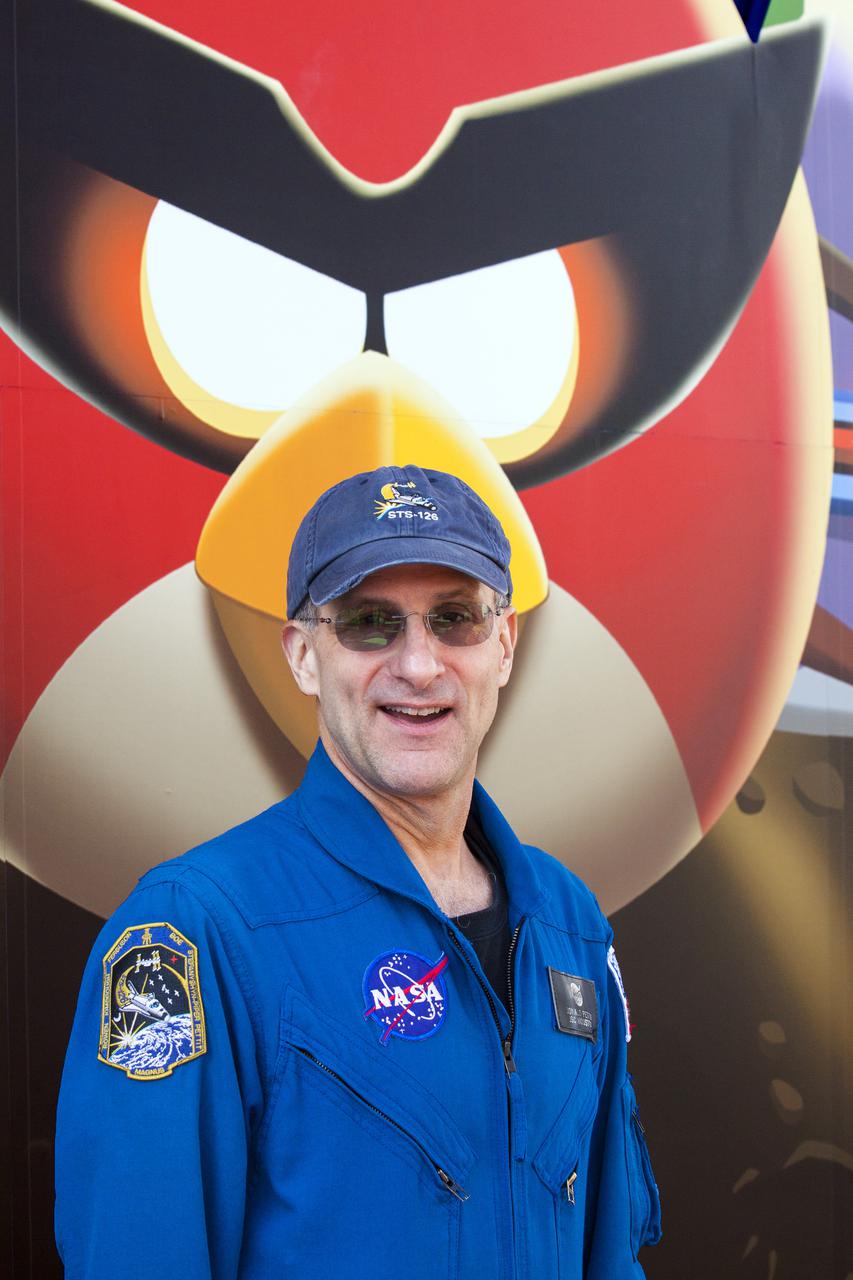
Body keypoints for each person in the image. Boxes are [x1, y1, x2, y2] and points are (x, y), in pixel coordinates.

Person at [55, 464, 661, 1278]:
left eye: (455, 620)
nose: (418, 666)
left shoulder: (568, 923)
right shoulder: (196, 932)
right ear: (304, 656)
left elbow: (609, 1250)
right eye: (371, 625)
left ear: (504, 646)